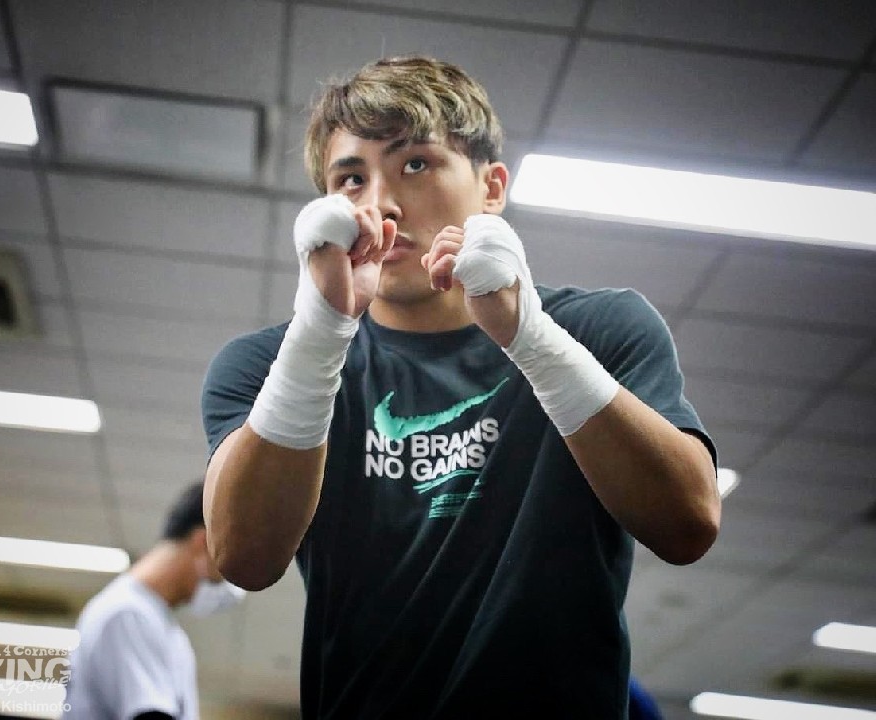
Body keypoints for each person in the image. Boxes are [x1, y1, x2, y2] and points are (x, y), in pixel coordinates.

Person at [202, 56, 720, 718]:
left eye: (416, 163)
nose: (379, 204)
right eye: (351, 179)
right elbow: (244, 559)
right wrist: (321, 330)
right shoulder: (266, 365)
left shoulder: (601, 329)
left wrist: (532, 339)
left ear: (492, 187)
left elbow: (688, 525)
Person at [63, 481, 244, 720]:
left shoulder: (158, 624)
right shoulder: (128, 614)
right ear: (204, 542)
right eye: (224, 567)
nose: (222, 582)